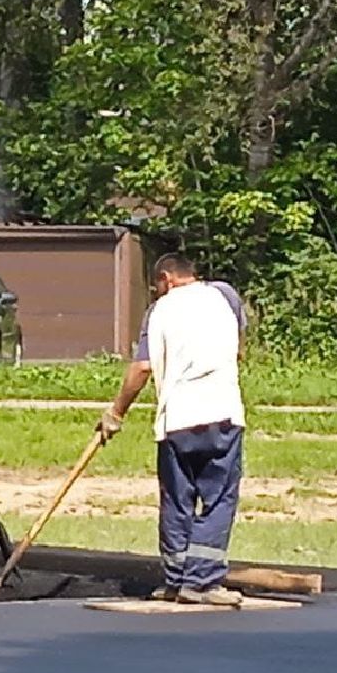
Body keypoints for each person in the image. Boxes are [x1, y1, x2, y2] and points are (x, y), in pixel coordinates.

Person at [97, 253, 246, 606]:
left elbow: (142, 368)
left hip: (176, 420)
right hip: (222, 413)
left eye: (155, 287)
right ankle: (203, 581)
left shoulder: (159, 311)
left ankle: (177, 581)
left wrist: (115, 413)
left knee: (177, 501)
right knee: (218, 498)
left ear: (166, 278)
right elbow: (239, 349)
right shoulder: (225, 295)